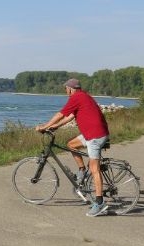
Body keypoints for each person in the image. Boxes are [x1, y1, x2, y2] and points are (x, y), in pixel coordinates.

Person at [36, 78, 111, 217]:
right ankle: (82, 171)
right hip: (93, 133)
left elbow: (61, 114)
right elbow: (70, 116)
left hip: (95, 136)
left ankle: (100, 203)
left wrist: (44, 126)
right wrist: (55, 126)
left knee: (95, 169)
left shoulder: (76, 97)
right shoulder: (84, 96)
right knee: (71, 144)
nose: (66, 92)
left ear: (70, 88)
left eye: (66, 89)